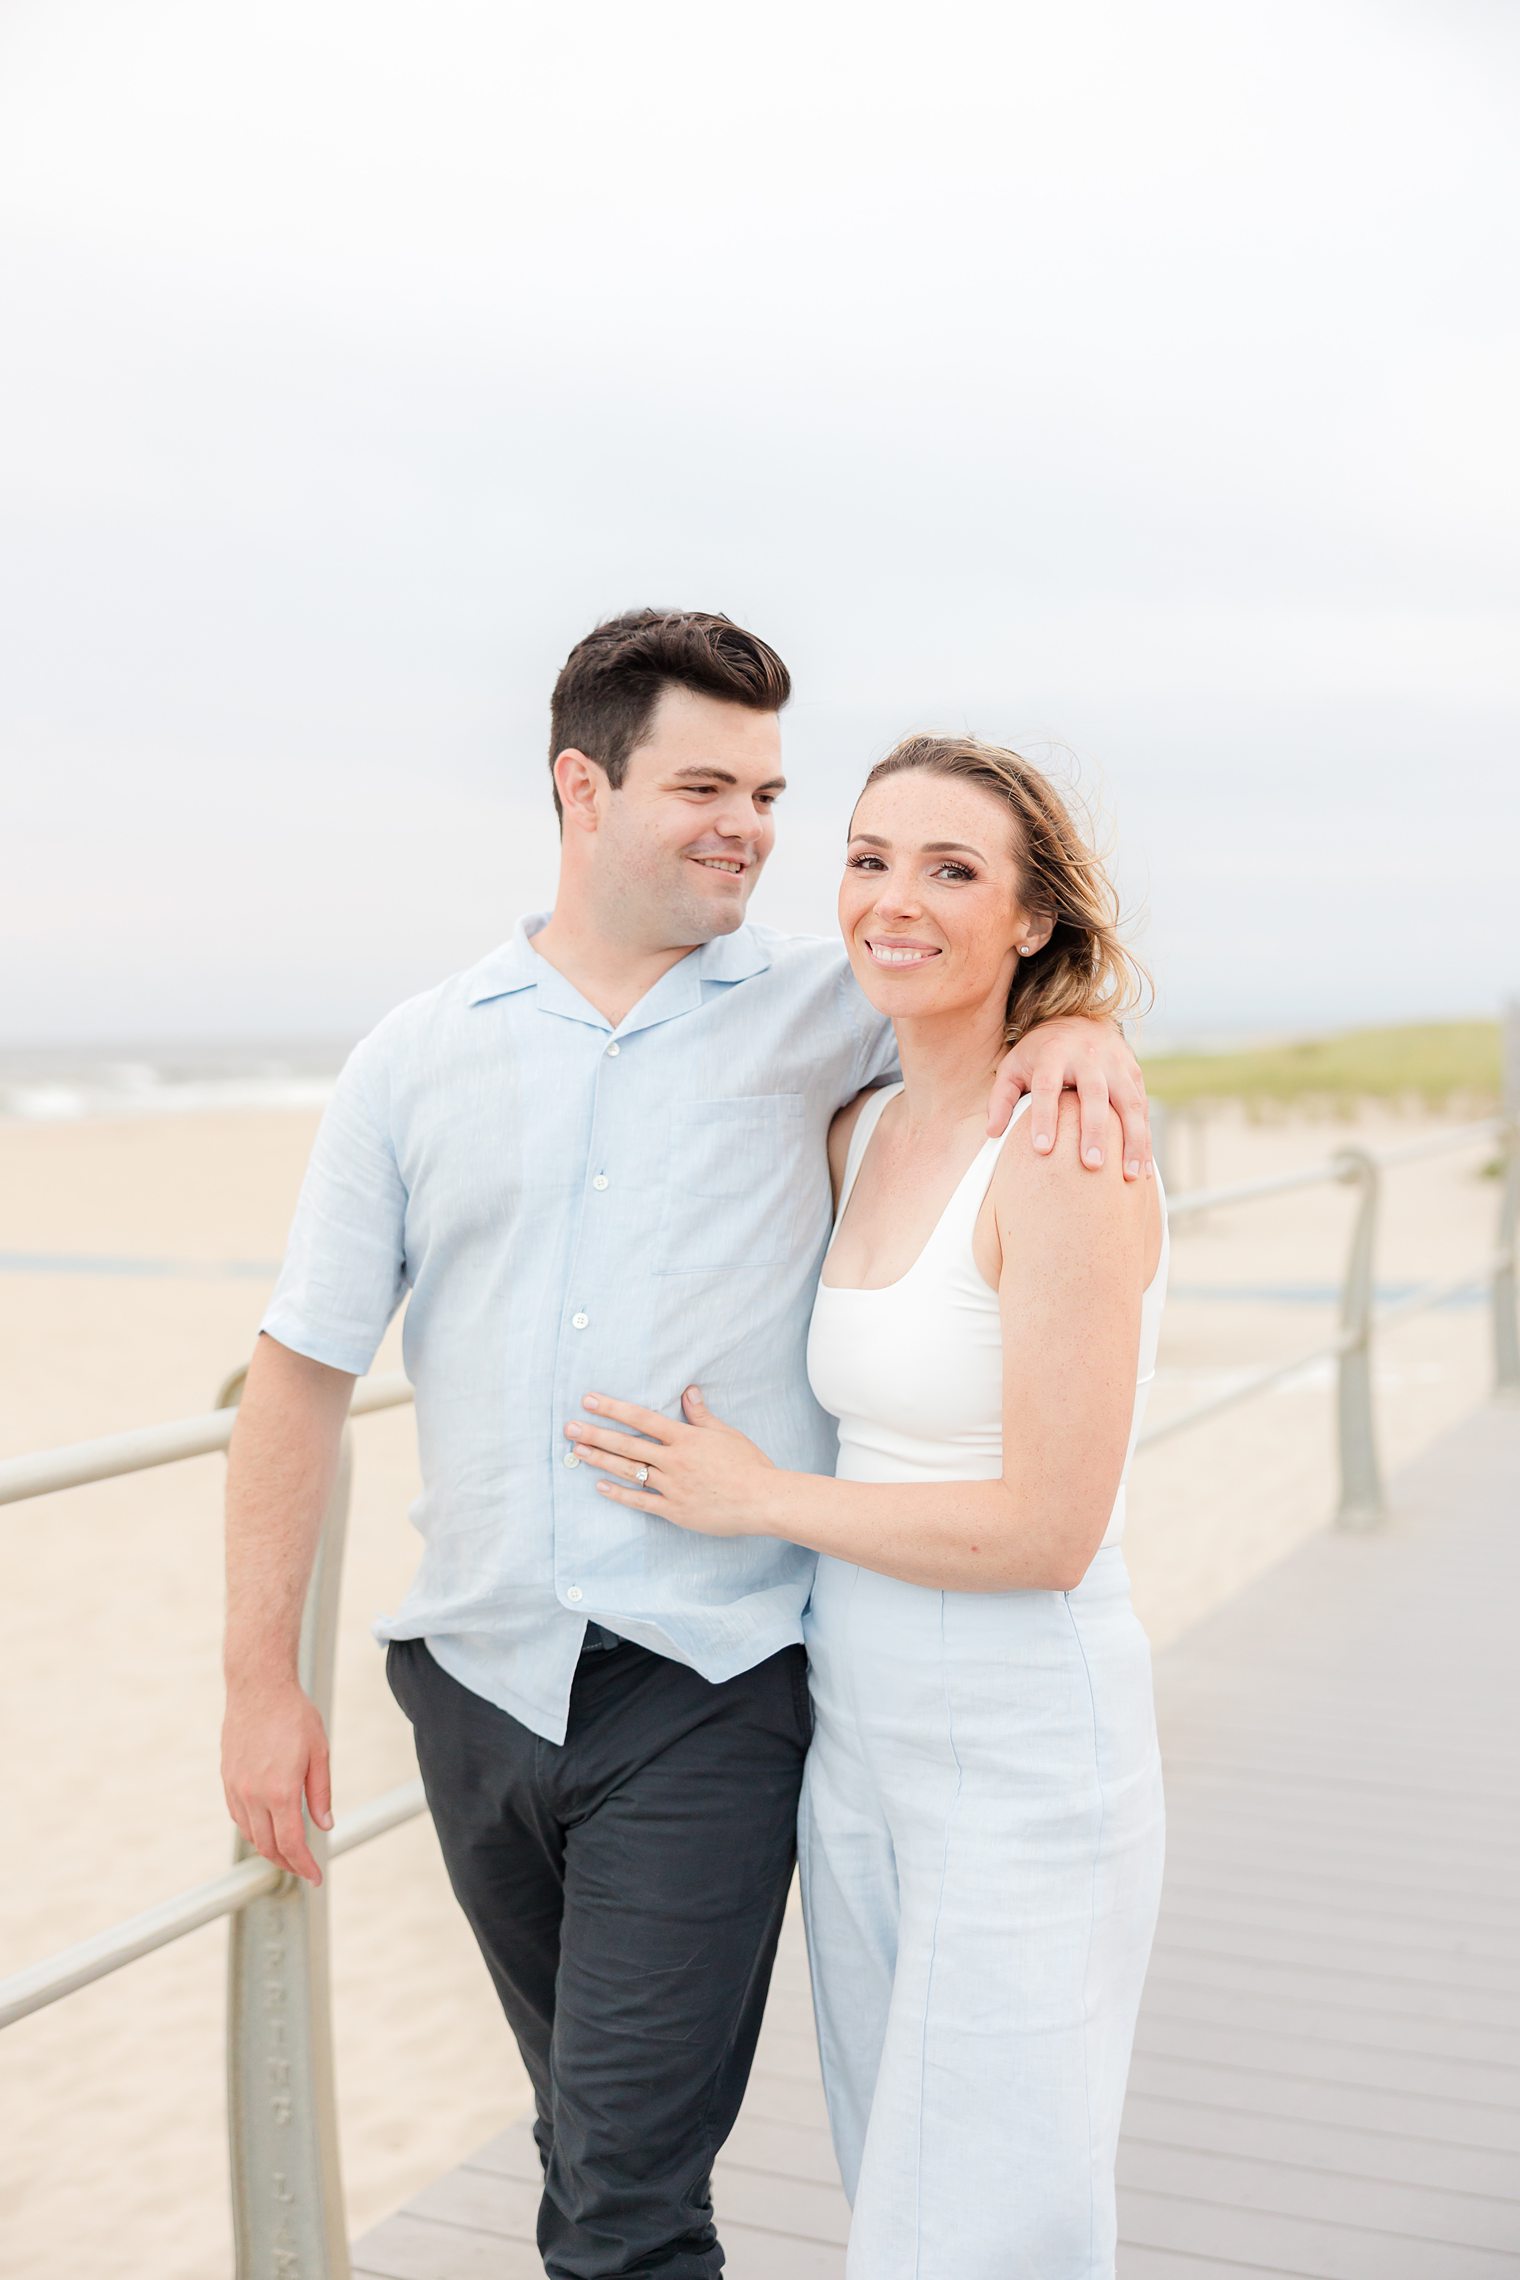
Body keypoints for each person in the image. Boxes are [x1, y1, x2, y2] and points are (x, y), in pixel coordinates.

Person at [220, 613, 1153, 2280]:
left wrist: (1088, 1034)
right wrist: (258, 1683)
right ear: (584, 785)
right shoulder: (416, 1056)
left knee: (626, 2193)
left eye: (772, 792)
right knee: (588, 2137)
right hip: (475, 1680)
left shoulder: (824, 1004)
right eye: (708, 784)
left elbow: (998, 1013)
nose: (755, 829)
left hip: (713, 1680)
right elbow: (297, 1372)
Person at [568, 731, 1166, 2279]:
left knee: (980, 2233)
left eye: (953, 870)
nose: (896, 901)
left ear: (1034, 919)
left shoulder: (1063, 1153)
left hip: (1024, 1750)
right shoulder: (861, 1129)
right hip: (861, 1746)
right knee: (894, 2193)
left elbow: (1048, 1530)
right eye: (870, 858)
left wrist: (763, 1500)